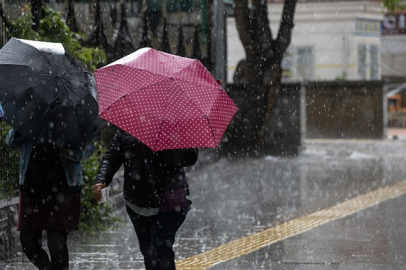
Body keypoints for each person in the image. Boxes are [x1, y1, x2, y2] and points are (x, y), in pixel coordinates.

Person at [93, 129, 198, 270]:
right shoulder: (127, 128)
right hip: (137, 202)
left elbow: (191, 156)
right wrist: (102, 179)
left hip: (170, 200)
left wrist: (166, 149)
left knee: (161, 251)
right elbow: (112, 157)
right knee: (148, 253)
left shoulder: (176, 125)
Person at [7, 128, 95, 270]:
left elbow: (90, 148)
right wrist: (19, 128)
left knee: (57, 245)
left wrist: (70, 149)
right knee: (29, 244)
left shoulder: (71, 115)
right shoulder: (31, 113)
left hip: (63, 190)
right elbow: (12, 143)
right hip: (32, 189)